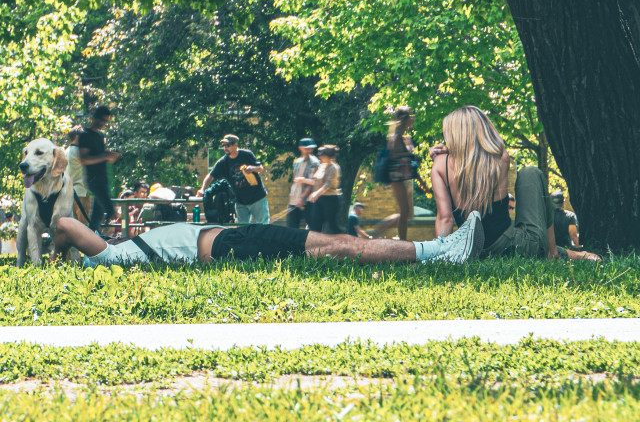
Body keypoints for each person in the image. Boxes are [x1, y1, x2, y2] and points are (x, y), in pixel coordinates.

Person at [429, 105, 600, 262]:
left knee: (524, 235)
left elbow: (445, 218)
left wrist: (442, 255)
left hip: (474, 249)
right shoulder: (499, 158)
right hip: (511, 245)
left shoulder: (440, 165)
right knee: (531, 173)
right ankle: (553, 252)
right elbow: (476, 156)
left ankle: (572, 254)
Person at [50, 207, 485, 267]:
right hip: (230, 246)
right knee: (340, 247)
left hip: (232, 237)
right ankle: (436, 252)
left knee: (337, 242)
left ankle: (439, 250)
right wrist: (56, 255)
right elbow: (65, 223)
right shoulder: (107, 260)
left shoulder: (114, 256)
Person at [197, 134, 270, 224]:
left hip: (257, 199)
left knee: (263, 227)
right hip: (240, 202)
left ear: (235, 145)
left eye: (227, 145)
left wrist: (252, 168)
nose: (225, 148)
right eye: (223, 145)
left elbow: (260, 168)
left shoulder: (247, 154)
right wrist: (202, 189)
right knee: (241, 229)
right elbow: (210, 176)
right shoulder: (223, 162)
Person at [387, 107, 428, 240]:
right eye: (411, 117)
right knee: (405, 210)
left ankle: (401, 239)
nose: (413, 119)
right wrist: (407, 153)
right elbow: (392, 155)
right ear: (405, 119)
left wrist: (421, 183)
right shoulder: (396, 136)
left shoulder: (404, 136)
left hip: (402, 176)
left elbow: (411, 163)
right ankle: (402, 241)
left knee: (405, 211)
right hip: (396, 178)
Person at [78, 106, 121, 232]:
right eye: (102, 120)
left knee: (96, 218)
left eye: (106, 121)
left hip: (104, 179)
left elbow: (101, 156)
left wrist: (110, 157)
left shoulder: (101, 135)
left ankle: (90, 244)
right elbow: (84, 159)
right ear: (95, 118)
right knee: (110, 209)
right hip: (93, 180)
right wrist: (104, 156)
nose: (103, 123)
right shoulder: (85, 135)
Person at [306, 145, 342, 234]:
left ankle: (347, 242)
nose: (319, 156)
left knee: (333, 226)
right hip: (319, 199)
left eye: (322, 154)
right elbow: (316, 181)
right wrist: (303, 181)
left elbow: (328, 185)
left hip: (331, 199)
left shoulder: (334, 168)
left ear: (328, 156)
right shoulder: (321, 166)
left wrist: (316, 194)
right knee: (314, 225)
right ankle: (315, 246)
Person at [288, 138, 320, 228]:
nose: (309, 150)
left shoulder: (315, 163)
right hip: (294, 199)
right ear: (300, 148)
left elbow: (313, 182)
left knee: (313, 228)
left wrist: (302, 198)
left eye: (311, 148)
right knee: (291, 228)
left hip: (308, 201)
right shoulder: (297, 162)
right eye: (307, 148)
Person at [65, 126, 92, 224]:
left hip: (70, 193)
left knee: (74, 223)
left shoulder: (66, 151)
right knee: (84, 223)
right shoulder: (78, 152)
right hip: (81, 192)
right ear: (77, 137)